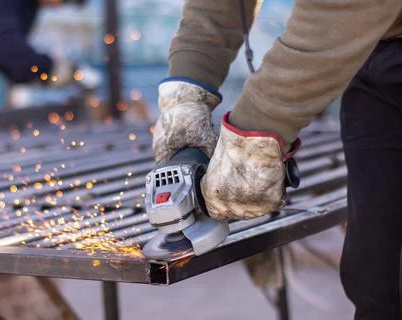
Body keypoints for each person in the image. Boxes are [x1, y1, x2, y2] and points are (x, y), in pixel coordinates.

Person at [153, 1, 402, 319]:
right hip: (373, 55)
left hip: (354, 20)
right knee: (378, 279)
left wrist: (256, 131)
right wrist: (184, 92)